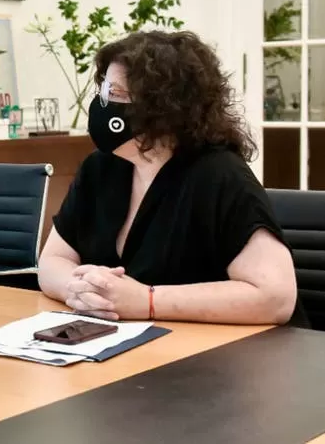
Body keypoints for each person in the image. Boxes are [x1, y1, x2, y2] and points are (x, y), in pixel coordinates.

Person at [38, 30, 303, 325]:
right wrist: (78, 291)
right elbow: (52, 261)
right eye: (103, 92)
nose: (102, 105)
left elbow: (276, 297)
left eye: (115, 95)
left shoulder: (220, 177)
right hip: (128, 348)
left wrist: (148, 301)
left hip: (227, 358)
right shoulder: (101, 168)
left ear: (162, 109)